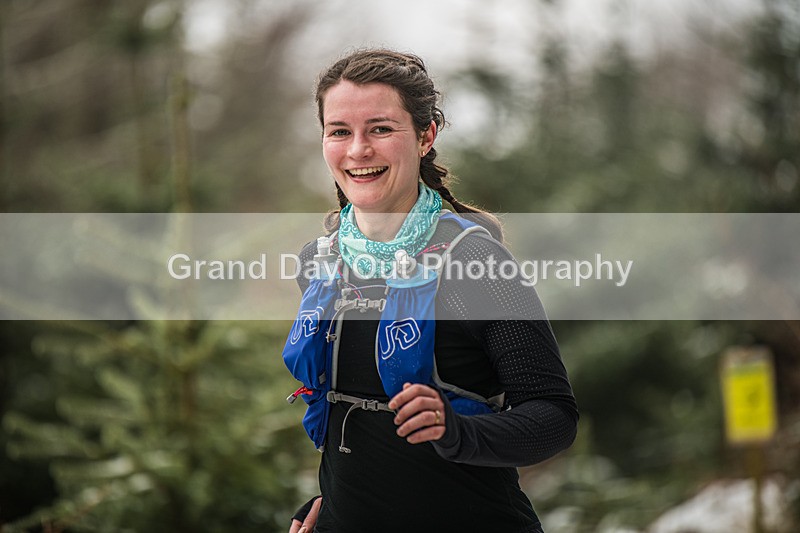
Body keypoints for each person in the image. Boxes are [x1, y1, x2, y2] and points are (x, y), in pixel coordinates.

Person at [284, 48, 578, 533]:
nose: (358, 149)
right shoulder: (319, 262)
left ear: (425, 136)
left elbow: (553, 416)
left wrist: (458, 431)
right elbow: (355, 424)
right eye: (340, 131)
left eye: (380, 128)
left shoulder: (474, 261)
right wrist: (328, 510)